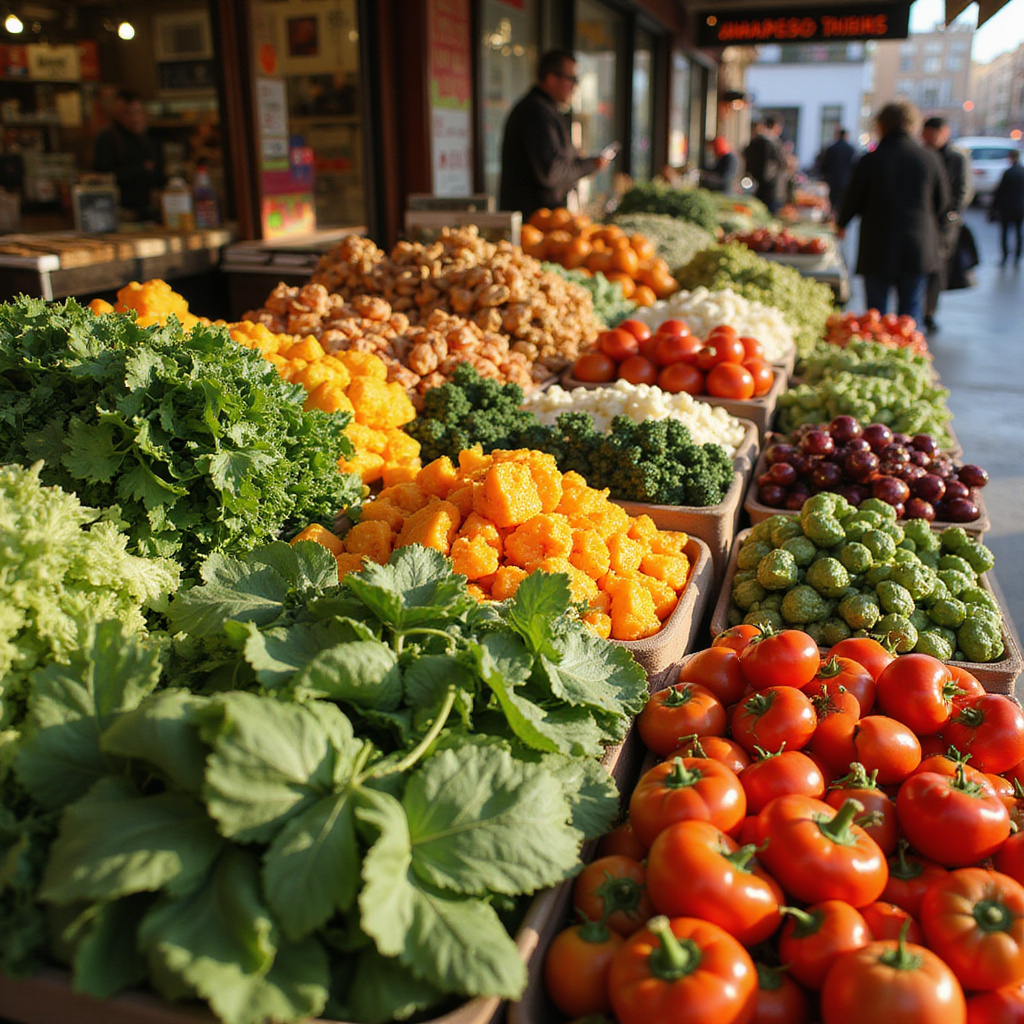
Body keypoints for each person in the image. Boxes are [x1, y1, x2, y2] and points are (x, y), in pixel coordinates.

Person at [836, 100, 950, 324]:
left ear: (881, 125)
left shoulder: (870, 160)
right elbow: (943, 203)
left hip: (878, 246)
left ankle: (878, 355)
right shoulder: (929, 159)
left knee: (875, 317)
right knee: (910, 318)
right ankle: (909, 356)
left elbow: (852, 200)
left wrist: (841, 225)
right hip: (917, 247)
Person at [499, 50, 612, 221]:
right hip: (534, 223)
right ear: (551, 79)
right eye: (572, 79)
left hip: (542, 220)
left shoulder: (545, 110)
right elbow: (552, 172)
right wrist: (590, 165)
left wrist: (578, 160)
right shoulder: (536, 112)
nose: (575, 86)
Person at [921, 116, 974, 330]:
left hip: (943, 225)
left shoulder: (956, 159)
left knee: (936, 269)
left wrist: (951, 216)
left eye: (933, 133)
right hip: (923, 221)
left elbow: (963, 191)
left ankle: (929, 311)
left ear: (943, 133)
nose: (928, 138)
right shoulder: (923, 155)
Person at [93, 89, 165, 221]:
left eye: (138, 112)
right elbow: (103, 175)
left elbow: (159, 174)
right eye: (129, 113)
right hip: (122, 212)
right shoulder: (109, 138)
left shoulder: (149, 140)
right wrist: (141, 169)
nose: (134, 118)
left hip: (149, 212)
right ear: (119, 115)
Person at [743, 116, 786, 214]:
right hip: (772, 187)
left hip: (758, 184)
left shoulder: (757, 141)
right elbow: (781, 163)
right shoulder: (772, 142)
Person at [990, 150, 1024, 267]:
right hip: (1020, 208)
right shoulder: (1021, 171)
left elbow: (1000, 192)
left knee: (1005, 233)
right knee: (1018, 233)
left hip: (1007, 208)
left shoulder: (1008, 173)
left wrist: (993, 208)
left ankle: (1005, 257)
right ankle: (1017, 257)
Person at [819, 127, 857, 219]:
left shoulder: (832, 148)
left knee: (832, 204)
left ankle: (832, 221)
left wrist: (825, 177)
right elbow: (854, 167)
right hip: (846, 182)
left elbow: (824, 166)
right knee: (842, 205)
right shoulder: (851, 150)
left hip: (833, 180)